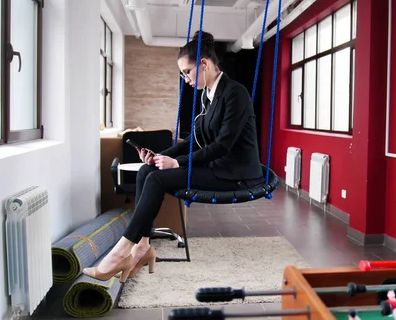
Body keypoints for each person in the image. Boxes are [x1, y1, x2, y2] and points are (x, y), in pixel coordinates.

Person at [82, 30, 264, 282]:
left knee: (157, 179)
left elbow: (222, 145)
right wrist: (159, 156)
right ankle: (143, 247)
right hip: (216, 166)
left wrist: (176, 162)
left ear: (204, 64)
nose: (185, 79)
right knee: (148, 171)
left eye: (187, 72)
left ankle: (120, 253)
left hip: (235, 174)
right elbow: (194, 140)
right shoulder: (207, 95)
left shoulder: (235, 93)